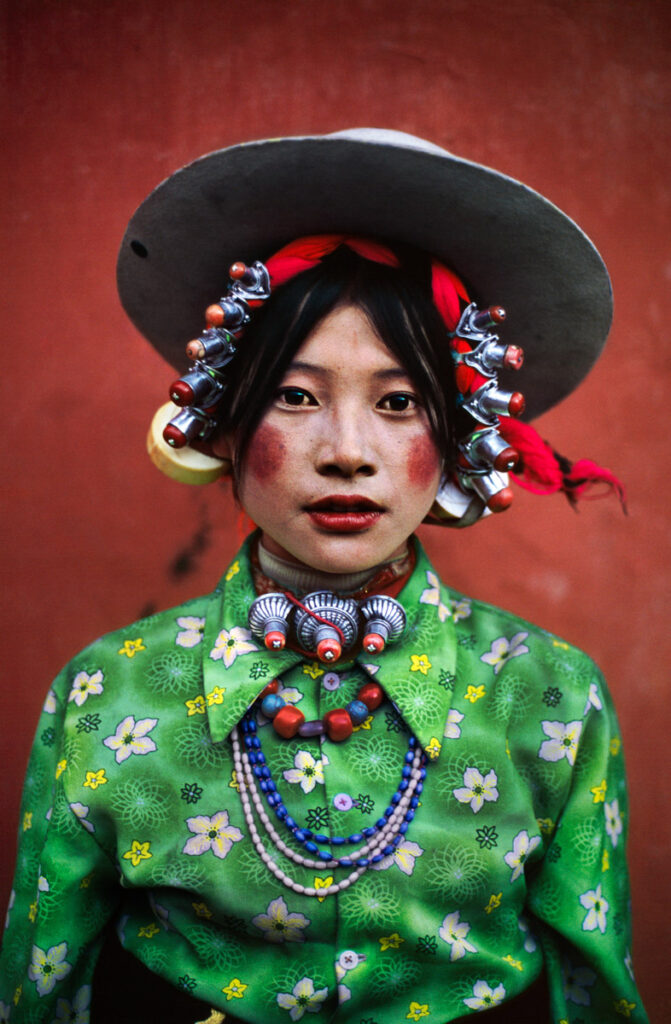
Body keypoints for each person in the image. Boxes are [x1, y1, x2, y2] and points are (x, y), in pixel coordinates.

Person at [0, 130, 647, 1023]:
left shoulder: (549, 695)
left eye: (398, 403)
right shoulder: (106, 694)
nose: (348, 454)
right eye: (296, 397)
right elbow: (44, 984)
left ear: (455, 440)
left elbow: (592, 989)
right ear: (220, 426)